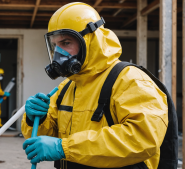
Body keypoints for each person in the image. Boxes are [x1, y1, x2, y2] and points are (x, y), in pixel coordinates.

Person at [21, 2, 173, 169]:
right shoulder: (67, 87)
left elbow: (142, 138)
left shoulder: (130, 80)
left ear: (90, 40)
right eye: (55, 45)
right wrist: (37, 119)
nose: (58, 53)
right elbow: (46, 140)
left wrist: (64, 148)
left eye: (66, 43)